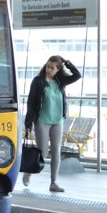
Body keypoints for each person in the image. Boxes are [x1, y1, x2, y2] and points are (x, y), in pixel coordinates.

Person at [23, 55, 82, 192]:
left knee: (56, 151)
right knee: (42, 152)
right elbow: (31, 103)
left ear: (58, 69)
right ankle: (29, 172)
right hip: (42, 120)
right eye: (48, 66)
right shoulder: (38, 81)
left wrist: (67, 62)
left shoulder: (60, 81)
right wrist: (28, 124)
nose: (48, 69)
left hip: (57, 121)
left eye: (52, 68)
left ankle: (53, 182)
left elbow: (77, 75)